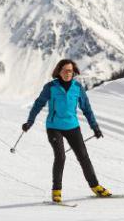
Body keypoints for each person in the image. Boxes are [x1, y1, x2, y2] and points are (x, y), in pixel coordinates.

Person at [22, 58, 111, 203]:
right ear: (59, 71)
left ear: (73, 72)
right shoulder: (50, 87)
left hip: (72, 127)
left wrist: (95, 127)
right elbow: (38, 104)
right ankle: (56, 191)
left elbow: (87, 109)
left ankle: (96, 187)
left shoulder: (77, 88)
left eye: (70, 70)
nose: (67, 73)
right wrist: (30, 121)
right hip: (54, 127)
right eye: (64, 70)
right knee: (60, 157)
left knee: (83, 157)